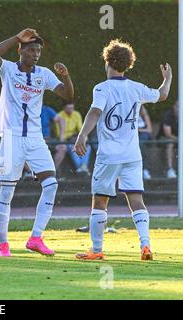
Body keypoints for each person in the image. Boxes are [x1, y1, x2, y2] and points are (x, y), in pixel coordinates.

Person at [73, 39, 172, 260]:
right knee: (136, 199)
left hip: (109, 156)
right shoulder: (136, 88)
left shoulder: (102, 88)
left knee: (100, 200)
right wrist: (168, 79)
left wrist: (82, 135)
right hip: (132, 155)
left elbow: (95, 112)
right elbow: (162, 95)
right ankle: (145, 246)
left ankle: (97, 250)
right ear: (128, 64)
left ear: (107, 61)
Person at [0, 28, 74, 257]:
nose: (35, 54)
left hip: (36, 139)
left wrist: (65, 75)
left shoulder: (44, 74)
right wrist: (16, 37)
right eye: (31, 49)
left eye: (38, 50)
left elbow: (67, 95)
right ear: (21, 50)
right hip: (11, 138)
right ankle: (3, 244)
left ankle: (35, 238)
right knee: (6, 193)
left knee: (51, 184)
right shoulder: (7, 69)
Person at [55, 102, 91, 175]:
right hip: (65, 140)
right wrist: (70, 139)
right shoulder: (59, 115)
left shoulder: (76, 114)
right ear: (64, 108)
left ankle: (83, 167)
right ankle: (80, 168)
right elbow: (59, 133)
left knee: (88, 147)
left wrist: (84, 139)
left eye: (72, 108)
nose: (71, 110)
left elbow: (81, 129)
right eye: (68, 108)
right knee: (73, 147)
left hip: (75, 137)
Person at [157, 101, 178, 179]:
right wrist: (179, 140)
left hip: (178, 139)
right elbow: (168, 134)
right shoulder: (168, 115)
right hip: (164, 139)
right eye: (178, 107)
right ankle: (170, 170)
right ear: (174, 107)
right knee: (170, 143)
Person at [137, 105, 153, 179]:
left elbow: (149, 130)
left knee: (141, 146)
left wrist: (138, 130)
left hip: (142, 133)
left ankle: (144, 170)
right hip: (131, 133)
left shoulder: (142, 109)